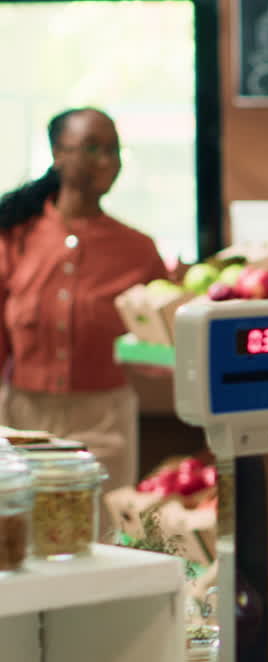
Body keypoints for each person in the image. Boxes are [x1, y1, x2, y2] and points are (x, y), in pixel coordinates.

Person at [0, 107, 169, 531]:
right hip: (22, 419)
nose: (107, 161)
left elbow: (155, 346)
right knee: (21, 537)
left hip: (103, 421)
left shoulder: (138, 249)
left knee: (97, 540)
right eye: (92, 148)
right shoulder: (14, 237)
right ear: (59, 153)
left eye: (113, 150)